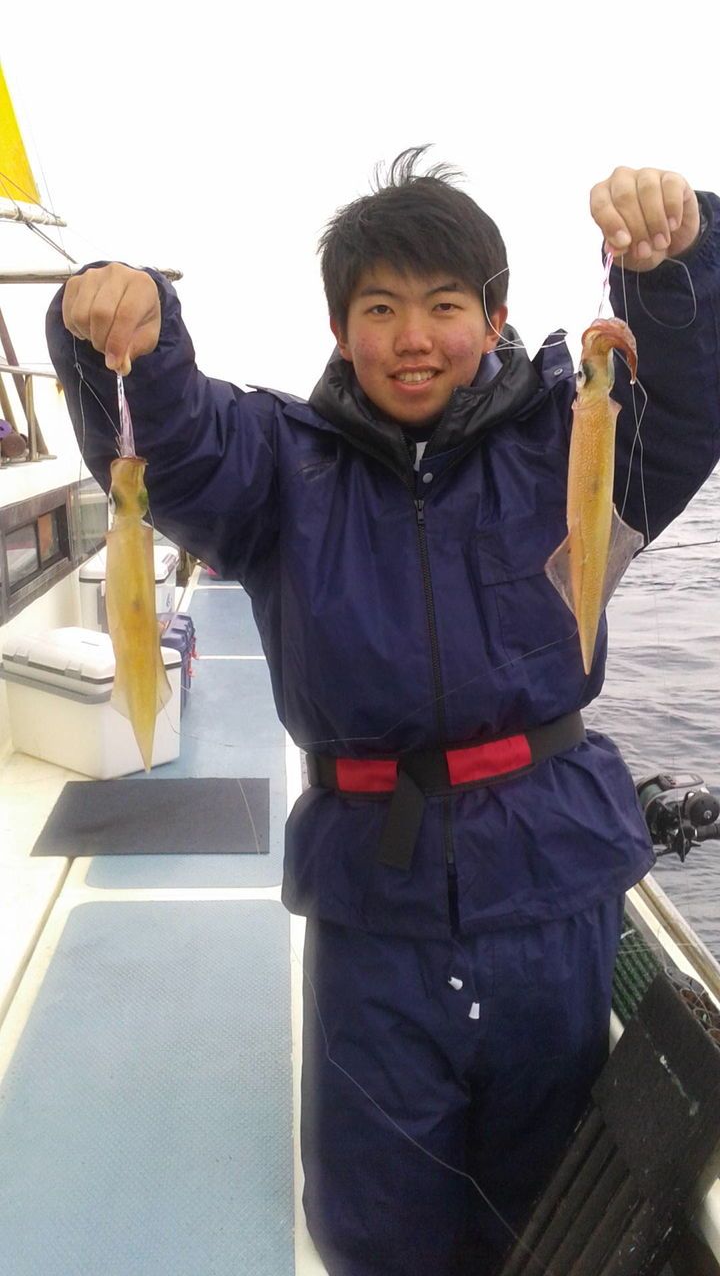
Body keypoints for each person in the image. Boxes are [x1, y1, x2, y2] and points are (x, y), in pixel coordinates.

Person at [46, 149, 720, 1276]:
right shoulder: (276, 464)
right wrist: (133, 324)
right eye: (380, 308)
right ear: (339, 327)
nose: (414, 337)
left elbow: (692, 391)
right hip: (375, 899)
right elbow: (178, 442)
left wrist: (678, 257)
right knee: (376, 1215)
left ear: (494, 318)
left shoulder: (573, 437)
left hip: (552, 878)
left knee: (540, 1204)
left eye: (444, 306)